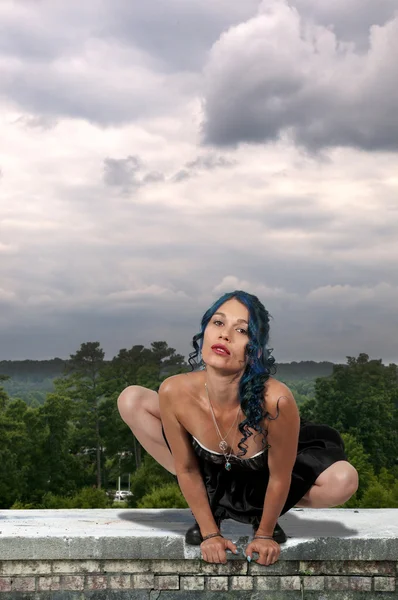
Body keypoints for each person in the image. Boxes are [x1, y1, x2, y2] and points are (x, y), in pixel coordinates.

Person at [117, 290, 358, 566]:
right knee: (131, 398)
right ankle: (212, 504)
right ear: (204, 331)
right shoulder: (174, 390)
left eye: (241, 330)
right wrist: (209, 534)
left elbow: (280, 477)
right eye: (218, 323)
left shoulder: (276, 401)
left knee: (344, 480)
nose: (225, 335)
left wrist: (265, 533)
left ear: (254, 349)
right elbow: (186, 468)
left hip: (264, 477)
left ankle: (257, 511)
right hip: (209, 473)